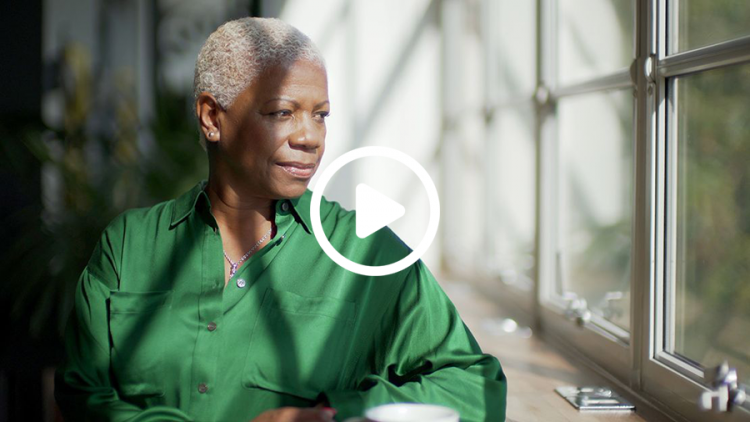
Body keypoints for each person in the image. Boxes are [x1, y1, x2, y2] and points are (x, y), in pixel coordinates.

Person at [55, 17, 507, 422]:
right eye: (282, 113)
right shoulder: (129, 245)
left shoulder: (365, 253)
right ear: (213, 117)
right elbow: (82, 394)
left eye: (321, 115)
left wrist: (338, 414)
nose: (310, 137)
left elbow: (474, 386)